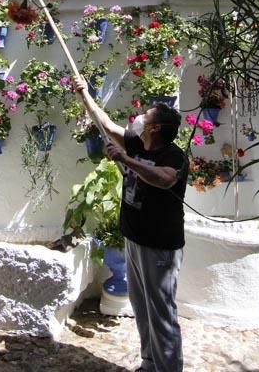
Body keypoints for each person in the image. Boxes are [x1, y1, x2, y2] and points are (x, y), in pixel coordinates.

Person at [72, 76, 187, 372]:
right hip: (134, 238)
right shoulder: (137, 143)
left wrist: (126, 160)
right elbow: (107, 125)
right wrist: (85, 93)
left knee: (161, 313)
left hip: (160, 246)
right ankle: (150, 364)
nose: (138, 118)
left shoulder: (173, 155)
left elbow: (164, 179)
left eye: (145, 116)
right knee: (142, 310)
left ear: (155, 127)